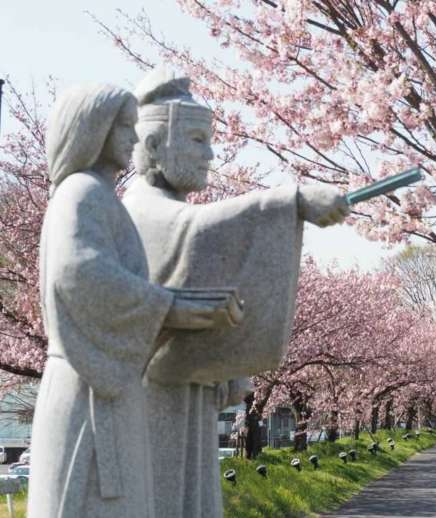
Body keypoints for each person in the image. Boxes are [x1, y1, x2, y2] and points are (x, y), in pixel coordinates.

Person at [123, 68, 349, 518]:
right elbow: (193, 232)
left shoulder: (165, 210)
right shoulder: (138, 210)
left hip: (181, 392)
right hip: (150, 395)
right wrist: (294, 201)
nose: (210, 154)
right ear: (151, 145)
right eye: (196, 140)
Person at [27, 83, 240, 518]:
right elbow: (80, 274)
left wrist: (170, 308)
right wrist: (169, 306)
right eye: (123, 126)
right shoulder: (82, 192)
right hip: (88, 386)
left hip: (104, 386)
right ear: (93, 130)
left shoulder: (98, 196)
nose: (132, 136)